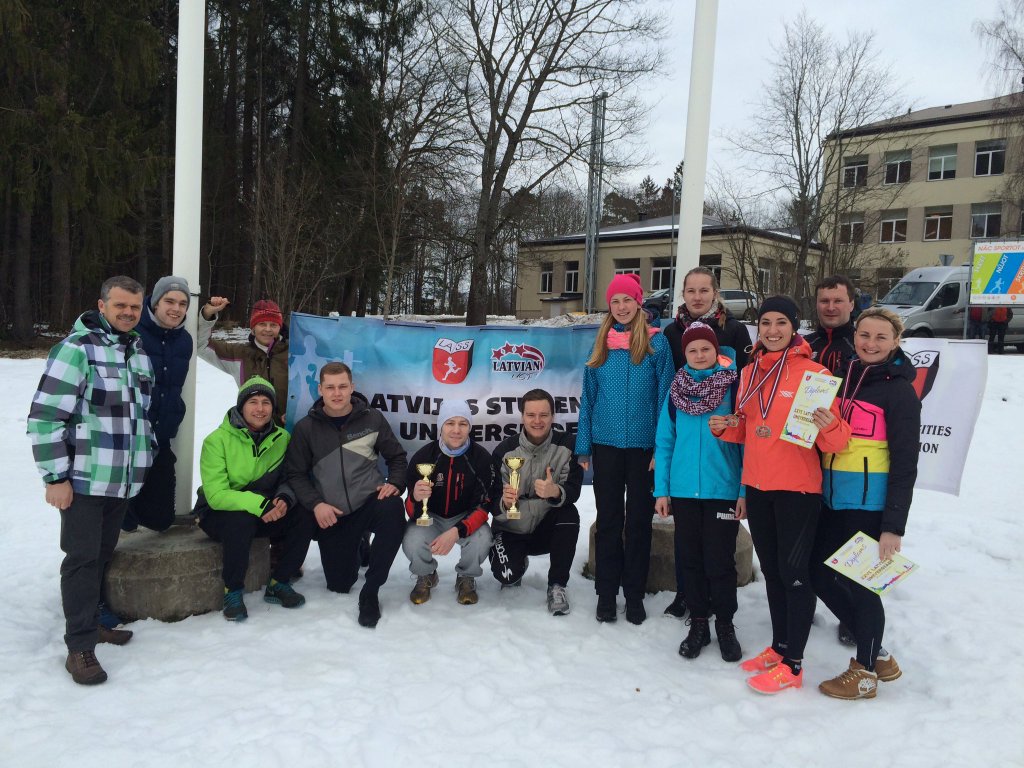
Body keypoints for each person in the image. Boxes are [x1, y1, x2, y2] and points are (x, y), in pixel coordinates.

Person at [711, 295, 851, 695]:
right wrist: (726, 427)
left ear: (794, 328)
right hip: (758, 485)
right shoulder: (751, 370)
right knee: (772, 572)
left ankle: (794, 664)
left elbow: (838, 441)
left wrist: (828, 425)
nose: (772, 331)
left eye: (781, 324)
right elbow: (750, 428)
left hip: (797, 488)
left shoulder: (814, 374)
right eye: (766, 323)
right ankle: (779, 646)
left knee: (793, 575)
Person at [27, 276, 154, 685]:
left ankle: (93, 622)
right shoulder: (76, 351)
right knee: (81, 561)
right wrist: (55, 477)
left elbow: (139, 415)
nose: (128, 313)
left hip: (121, 481)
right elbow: (46, 417)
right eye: (120, 306)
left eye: (134, 308)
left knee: (101, 556)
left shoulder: (138, 353)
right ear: (102, 306)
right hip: (83, 481)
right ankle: (79, 646)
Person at [810, 307, 920, 700]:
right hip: (832, 497)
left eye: (881, 338)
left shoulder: (900, 391)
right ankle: (877, 650)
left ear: (895, 343)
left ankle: (866, 671)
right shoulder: (843, 379)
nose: (871, 343)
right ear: (855, 336)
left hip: (869, 504)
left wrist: (893, 525)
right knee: (818, 571)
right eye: (865, 335)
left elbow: (906, 464)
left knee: (863, 587)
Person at [576, 273, 673, 625]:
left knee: (638, 522)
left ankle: (633, 593)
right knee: (609, 521)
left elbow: (666, 399)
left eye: (627, 301)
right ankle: (606, 593)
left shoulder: (656, 345)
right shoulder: (600, 344)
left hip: (644, 449)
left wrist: (661, 450)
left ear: (639, 302)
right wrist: (583, 445)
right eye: (615, 301)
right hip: (607, 445)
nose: (621, 307)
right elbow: (588, 397)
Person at [284, 362, 407, 628]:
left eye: (342, 386)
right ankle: (359, 545)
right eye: (330, 387)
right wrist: (316, 505)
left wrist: (394, 482)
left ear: (352, 387)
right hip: (333, 513)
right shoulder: (306, 428)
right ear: (320, 389)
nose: (337, 393)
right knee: (339, 585)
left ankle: (371, 590)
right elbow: (295, 474)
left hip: (368, 502)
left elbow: (397, 457)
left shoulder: (372, 418)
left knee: (394, 508)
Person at [660, 265, 751, 618]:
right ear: (683, 294)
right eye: (691, 290)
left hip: (720, 458)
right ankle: (689, 596)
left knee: (716, 550)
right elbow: (668, 384)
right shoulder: (671, 332)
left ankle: (720, 609)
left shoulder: (734, 329)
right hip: (684, 443)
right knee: (689, 547)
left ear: (715, 293)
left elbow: (744, 390)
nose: (697, 297)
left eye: (704, 290)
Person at [654, 322, 744, 661]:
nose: (700, 354)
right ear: (685, 354)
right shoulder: (676, 391)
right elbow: (665, 442)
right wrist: (662, 491)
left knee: (719, 560)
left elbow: (747, 441)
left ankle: (725, 623)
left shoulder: (733, 388)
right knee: (690, 559)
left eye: (706, 348)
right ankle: (699, 621)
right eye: (693, 350)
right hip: (683, 491)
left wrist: (744, 491)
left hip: (722, 488)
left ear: (716, 350)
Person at [195, 377, 314, 621]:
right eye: (253, 402)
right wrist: (259, 505)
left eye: (265, 403)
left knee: (304, 512)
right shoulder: (216, 441)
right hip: (219, 514)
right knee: (241, 519)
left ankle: (279, 581)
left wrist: (284, 498)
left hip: (266, 509)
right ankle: (233, 590)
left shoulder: (283, 439)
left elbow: (290, 477)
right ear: (241, 406)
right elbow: (217, 496)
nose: (260, 409)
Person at [489, 389, 583, 616]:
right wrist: (503, 501)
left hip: (546, 528)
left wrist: (555, 491)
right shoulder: (504, 451)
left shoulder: (569, 445)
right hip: (512, 527)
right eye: (531, 415)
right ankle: (517, 561)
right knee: (507, 575)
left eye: (544, 415)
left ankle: (557, 585)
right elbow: (489, 500)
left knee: (569, 514)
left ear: (553, 416)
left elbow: (574, 491)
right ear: (522, 416)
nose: (537, 421)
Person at [805, 274, 859, 647]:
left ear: (852, 303)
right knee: (810, 531)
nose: (830, 307)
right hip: (808, 452)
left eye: (837, 301)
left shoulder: (863, 343)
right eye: (824, 301)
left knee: (853, 535)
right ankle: (805, 598)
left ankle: (854, 613)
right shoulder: (805, 344)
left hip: (853, 454)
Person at [403, 400, 496, 606]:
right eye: (450, 423)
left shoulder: (481, 459)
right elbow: (410, 511)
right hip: (432, 518)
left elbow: (483, 507)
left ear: (470, 427)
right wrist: (415, 499)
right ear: (441, 426)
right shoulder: (424, 457)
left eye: (463, 424)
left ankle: (466, 577)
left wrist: (456, 531)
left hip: (465, 517)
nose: (456, 430)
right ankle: (426, 575)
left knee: (483, 537)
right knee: (412, 537)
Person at [122, 275, 193, 533]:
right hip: (130, 437)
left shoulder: (184, 340)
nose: (176, 308)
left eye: (183, 303)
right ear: (155, 303)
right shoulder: (131, 333)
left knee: (161, 520)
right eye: (169, 301)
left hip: (161, 435)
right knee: (124, 521)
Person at [198, 296, 290, 425]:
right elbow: (201, 345)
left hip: (289, 432)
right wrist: (208, 315)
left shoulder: (294, 354)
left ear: (280, 327)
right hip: (251, 433)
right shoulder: (238, 354)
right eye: (262, 324)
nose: (268, 329)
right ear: (253, 328)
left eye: (273, 325)